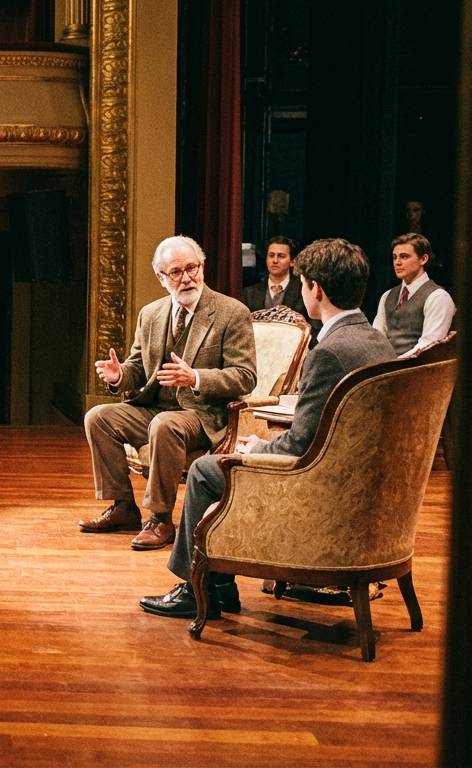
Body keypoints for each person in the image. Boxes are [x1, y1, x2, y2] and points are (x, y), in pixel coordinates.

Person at [141, 238, 398, 618]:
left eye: (304, 282)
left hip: (319, 485)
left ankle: (196, 589)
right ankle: (220, 587)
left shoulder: (328, 353)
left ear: (316, 289)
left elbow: (299, 447)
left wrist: (255, 449)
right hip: (362, 483)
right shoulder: (378, 343)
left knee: (203, 471)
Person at [80, 235, 257, 551]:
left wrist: (196, 377)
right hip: (155, 406)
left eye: (192, 268)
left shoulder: (231, 312)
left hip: (201, 414)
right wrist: (120, 376)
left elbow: (245, 377)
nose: (187, 278)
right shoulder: (151, 314)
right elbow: (139, 366)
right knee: (98, 417)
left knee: (165, 425)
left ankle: (160, 519)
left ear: (202, 267)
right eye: (176, 272)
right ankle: (123, 506)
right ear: (161, 278)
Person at [373, 232, 456, 358]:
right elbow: (377, 336)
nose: (397, 262)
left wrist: (391, 364)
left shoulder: (438, 297)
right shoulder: (387, 296)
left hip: (415, 371)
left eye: (404, 256)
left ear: (423, 259)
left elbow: (428, 346)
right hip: (384, 367)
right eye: (395, 257)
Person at [241, 236, 306, 316]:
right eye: (271, 255)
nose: (275, 261)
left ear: (292, 262)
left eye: (281, 256)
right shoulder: (249, 294)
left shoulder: (303, 291)